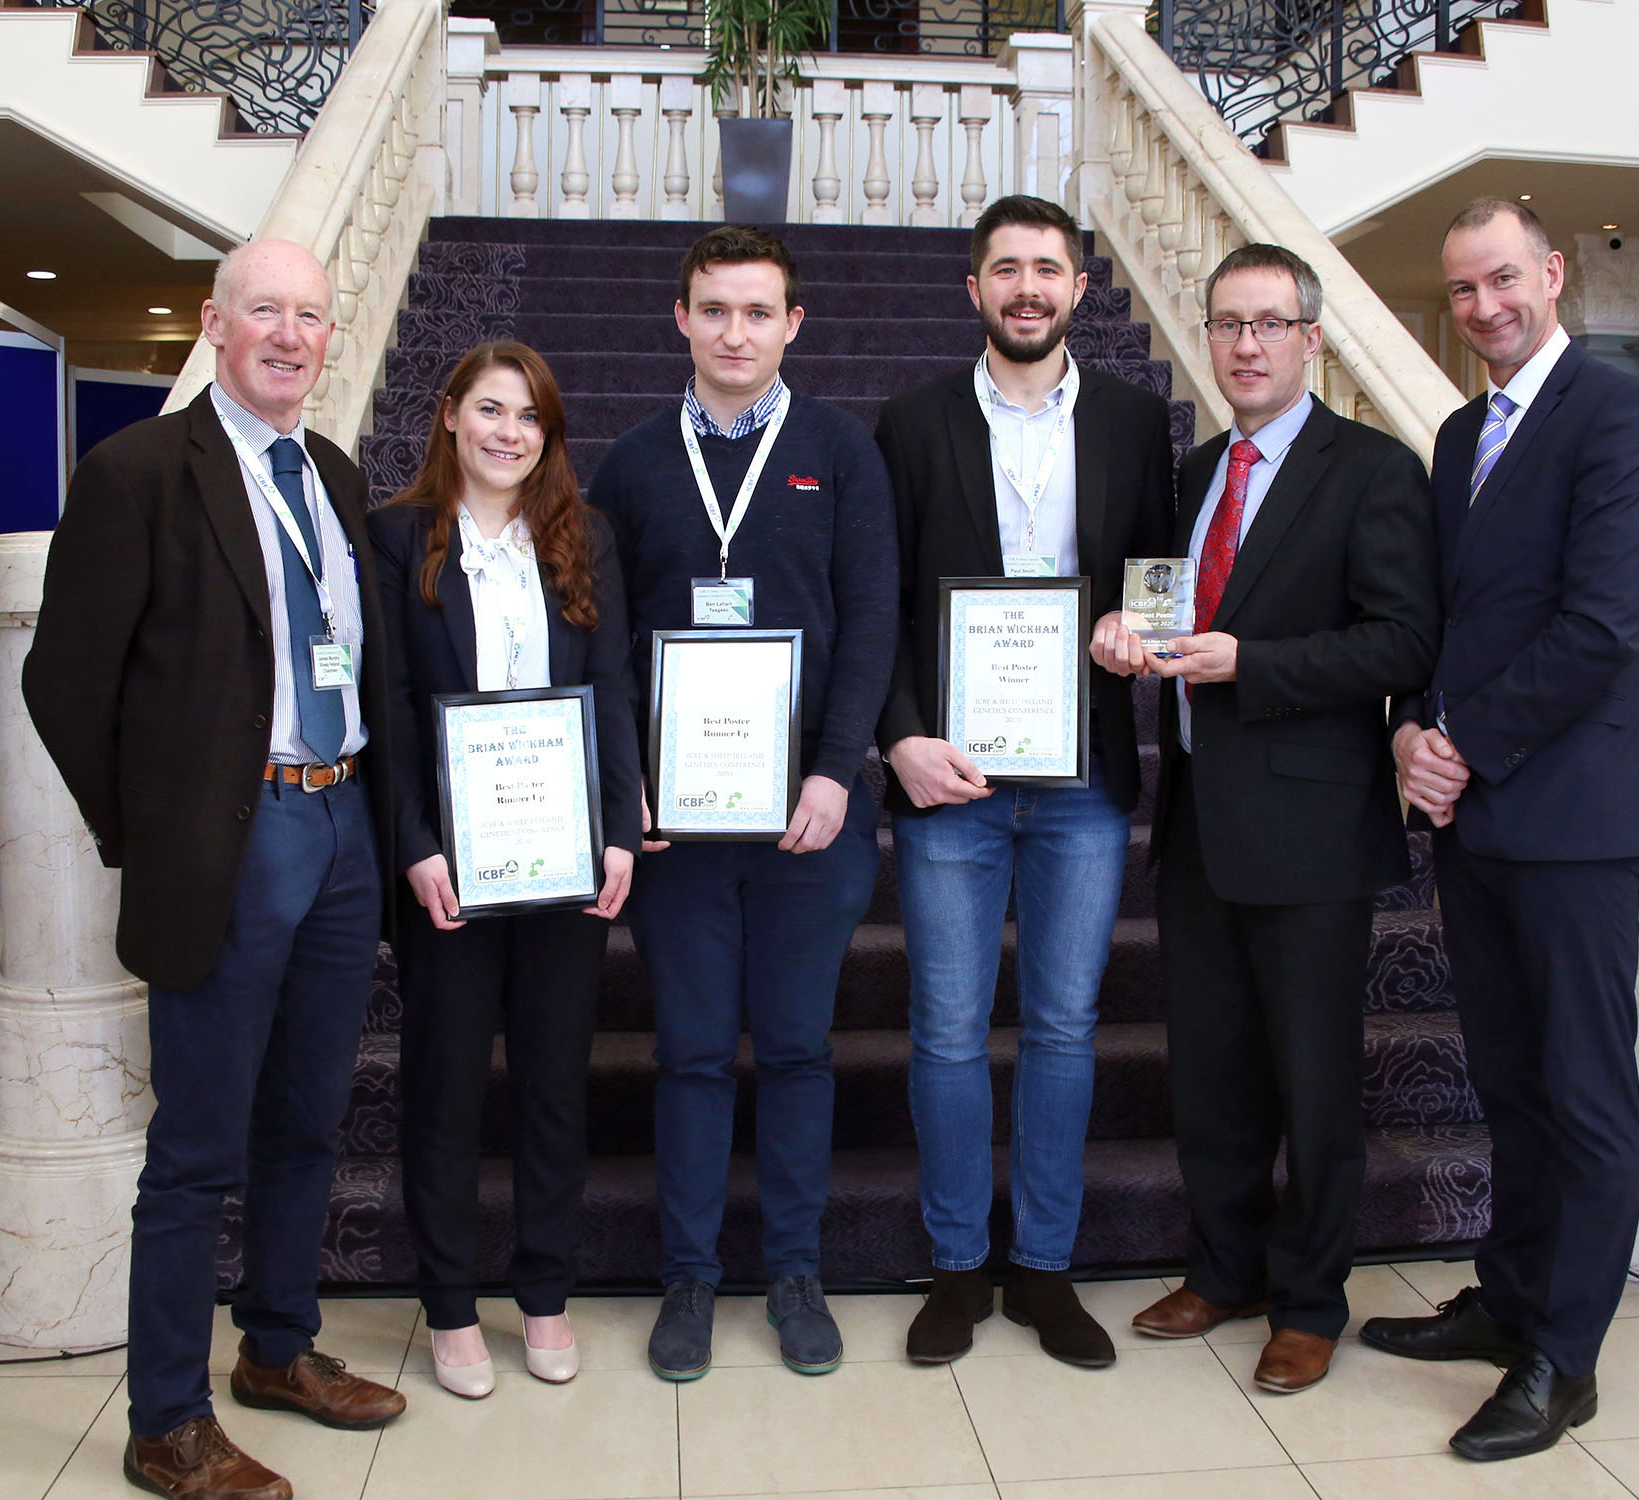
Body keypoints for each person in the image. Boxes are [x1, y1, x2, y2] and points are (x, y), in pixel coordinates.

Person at [22, 239, 405, 1500]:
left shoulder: (339, 476)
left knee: (307, 1118)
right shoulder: (139, 473)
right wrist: (161, 831)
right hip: (232, 844)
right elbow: (64, 684)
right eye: (265, 313)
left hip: (340, 824)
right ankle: (165, 1422)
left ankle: (279, 1351)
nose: (290, 335)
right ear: (214, 324)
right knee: (196, 1147)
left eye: (310, 315)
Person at [1362, 198, 1639, 1461]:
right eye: (1463, 291)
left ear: (1552, 273)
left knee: (1586, 1094)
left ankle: (1568, 1358)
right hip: (1478, 816)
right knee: (1505, 1082)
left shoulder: (1620, 413)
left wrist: (1465, 745)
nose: (1486, 307)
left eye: (1504, 280)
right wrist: (1409, 726)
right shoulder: (1456, 436)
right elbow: (1449, 617)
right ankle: (1511, 1300)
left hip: (1575, 818)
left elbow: (1605, 628)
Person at [1096, 244, 1438, 1393]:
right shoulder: (1191, 477)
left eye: (1269, 324)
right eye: (1228, 325)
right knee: (1213, 1071)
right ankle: (1225, 1266)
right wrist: (1123, 640)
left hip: (1312, 832)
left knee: (1313, 1080)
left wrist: (1259, 663)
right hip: (1195, 825)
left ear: (1312, 340)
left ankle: (1310, 1298)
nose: (1246, 345)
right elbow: (1166, 607)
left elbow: (1402, 642)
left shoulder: (1375, 470)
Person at [586, 225, 899, 1381]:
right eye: (714, 309)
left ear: (793, 325)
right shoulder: (628, 463)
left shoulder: (840, 452)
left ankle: (797, 1272)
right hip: (678, 827)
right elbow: (604, 647)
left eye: (757, 312)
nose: (735, 332)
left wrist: (834, 766)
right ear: (680, 317)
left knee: (803, 1050)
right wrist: (629, 797)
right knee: (690, 1054)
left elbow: (872, 619)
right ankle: (688, 1278)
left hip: (806, 816)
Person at [872, 194, 1173, 1369]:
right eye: (1007, 270)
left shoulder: (1139, 423)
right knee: (946, 1031)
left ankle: (1044, 1268)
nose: (1028, 289)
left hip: (1081, 777)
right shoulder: (912, 421)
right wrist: (900, 736)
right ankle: (958, 1267)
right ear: (975, 291)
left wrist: (1132, 632)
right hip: (950, 777)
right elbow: (884, 605)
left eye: (1047, 269)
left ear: (1079, 289)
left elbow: (1156, 573)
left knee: (1063, 1028)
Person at [365, 341, 643, 1400]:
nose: (508, 433)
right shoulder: (397, 538)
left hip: (565, 857)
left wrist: (620, 827)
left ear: (549, 435)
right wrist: (415, 844)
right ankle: (447, 1305)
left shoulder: (585, 537)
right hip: (451, 866)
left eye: (529, 418)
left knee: (552, 1088)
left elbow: (610, 687)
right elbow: (387, 709)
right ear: (447, 416)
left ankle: (545, 1292)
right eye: (489, 410)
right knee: (442, 1089)